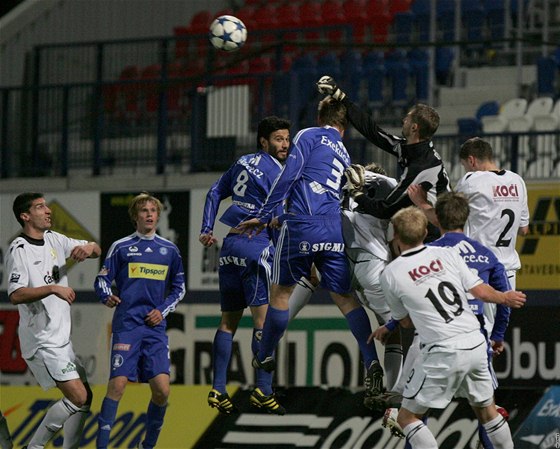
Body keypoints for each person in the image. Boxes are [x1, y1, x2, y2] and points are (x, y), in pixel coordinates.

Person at [239, 96, 383, 399]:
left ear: (321, 119)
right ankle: (371, 360)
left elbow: (289, 175)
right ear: (343, 128)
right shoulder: (343, 152)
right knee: (345, 298)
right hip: (333, 229)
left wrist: (265, 215)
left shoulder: (308, 135)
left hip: (302, 224)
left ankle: (264, 355)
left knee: (280, 293)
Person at [379, 206, 525, 449]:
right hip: (475, 343)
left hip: (441, 350)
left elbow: (405, 322)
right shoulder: (447, 255)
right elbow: (480, 291)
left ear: (395, 235)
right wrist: (505, 298)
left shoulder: (391, 273)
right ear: (426, 231)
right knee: (488, 412)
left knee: (407, 417)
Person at [199, 116, 292, 415]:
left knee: (228, 322)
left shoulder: (241, 162)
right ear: (264, 142)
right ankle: (263, 390)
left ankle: (218, 388)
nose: (285, 145)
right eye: (279, 139)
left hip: (229, 248)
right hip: (256, 246)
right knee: (263, 322)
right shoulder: (279, 172)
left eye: (287, 139)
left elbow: (214, 192)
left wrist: (206, 228)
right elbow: (277, 220)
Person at [6, 192, 100, 449]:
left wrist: (87, 249)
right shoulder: (19, 250)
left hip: (61, 340)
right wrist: (52, 289)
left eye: (46, 205)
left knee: (85, 397)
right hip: (42, 341)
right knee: (78, 396)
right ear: (25, 216)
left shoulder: (54, 238)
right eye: (39, 207)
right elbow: (15, 294)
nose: (48, 210)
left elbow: (96, 249)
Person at [94, 192, 186, 449]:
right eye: (143, 211)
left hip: (155, 329)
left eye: (153, 210)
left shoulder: (169, 250)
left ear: (158, 216)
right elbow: (102, 278)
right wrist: (106, 295)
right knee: (118, 385)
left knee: (162, 390)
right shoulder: (121, 246)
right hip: (127, 326)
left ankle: (148, 446)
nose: (149, 214)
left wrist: (162, 310)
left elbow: (179, 288)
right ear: (135, 217)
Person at [316, 75, 451, 241]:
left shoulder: (423, 166)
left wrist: (356, 194)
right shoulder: (411, 149)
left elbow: (386, 209)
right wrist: (340, 96)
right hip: (426, 229)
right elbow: (373, 131)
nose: (403, 120)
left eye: (407, 118)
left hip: (437, 236)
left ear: (414, 127)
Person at [454, 137, 529, 331]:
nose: (466, 170)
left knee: (478, 330)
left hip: (481, 268)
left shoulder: (471, 181)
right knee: (494, 332)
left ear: (471, 161)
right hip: (509, 271)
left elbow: (449, 215)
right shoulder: (517, 180)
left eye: (465, 166)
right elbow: (524, 229)